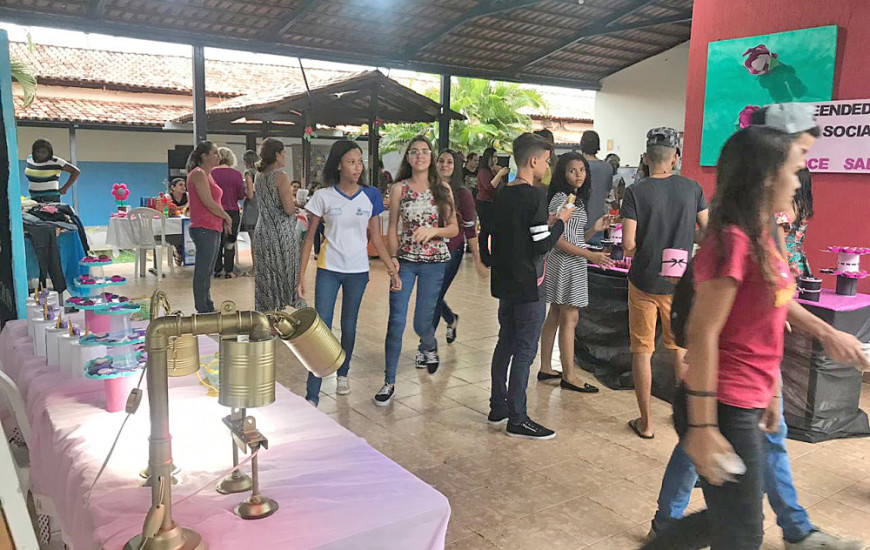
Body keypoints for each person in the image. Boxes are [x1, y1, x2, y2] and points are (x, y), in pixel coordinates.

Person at [642, 126, 870, 550]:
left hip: (747, 397)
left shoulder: (762, 234)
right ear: (767, 177)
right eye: (793, 171)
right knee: (742, 531)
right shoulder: (731, 240)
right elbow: (704, 333)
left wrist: (819, 341)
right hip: (723, 402)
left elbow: (774, 305)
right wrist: (705, 425)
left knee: (734, 518)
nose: (798, 182)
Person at [299, 140, 401, 407]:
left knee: (349, 325)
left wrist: (392, 270)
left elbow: (376, 239)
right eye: (351, 162)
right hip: (328, 268)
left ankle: (343, 374)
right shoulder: (323, 196)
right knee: (320, 327)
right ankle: (313, 391)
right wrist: (300, 277)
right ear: (338, 165)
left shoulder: (371, 196)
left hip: (357, 271)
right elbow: (309, 239)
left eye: (360, 161)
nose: (357, 167)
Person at [621, 127, 709, 439]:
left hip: (644, 281)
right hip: (680, 284)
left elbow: (628, 244)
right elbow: (707, 233)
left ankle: (646, 423)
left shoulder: (635, 192)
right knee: (680, 350)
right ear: (675, 158)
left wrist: (648, 242)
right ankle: (689, 424)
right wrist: (685, 236)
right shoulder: (693, 188)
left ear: (645, 158)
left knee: (642, 351)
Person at [485, 132, 573, 440]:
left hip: (506, 282)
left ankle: (498, 407)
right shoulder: (535, 195)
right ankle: (518, 417)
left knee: (505, 342)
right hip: (528, 285)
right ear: (533, 160)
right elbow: (542, 246)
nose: (548, 167)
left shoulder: (504, 192)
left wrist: (544, 224)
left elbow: (516, 235)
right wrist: (560, 221)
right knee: (524, 350)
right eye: (547, 161)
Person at [375, 136, 458, 407]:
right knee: (396, 321)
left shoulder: (442, 189)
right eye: (414, 152)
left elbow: (453, 229)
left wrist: (434, 230)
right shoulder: (398, 189)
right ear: (408, 158)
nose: (420, 156)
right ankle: (389, 381)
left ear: (431, 157)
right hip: (407, 262)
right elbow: (391, 227)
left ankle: (429, 344)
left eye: (425, 152)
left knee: (422, 323)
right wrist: (392, 261)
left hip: (435, 262)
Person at [537, 152, 613, 393]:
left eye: (582, 170)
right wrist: (590, 255)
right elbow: (556, 238)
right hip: (566, 262)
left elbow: (575, 237)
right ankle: (569, 375)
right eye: (572, 170)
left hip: (570, 261)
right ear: (562, 173)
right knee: (570, 317)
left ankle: (547, 367)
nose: (579, 174)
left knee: (557, 314)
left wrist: (594, 230)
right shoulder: (562, 199)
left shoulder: (574, 198)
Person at [431, 149, 487, 346]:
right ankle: (451, 319)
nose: (444, 165)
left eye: (449, 162)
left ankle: (426, 347)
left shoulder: (463, 194)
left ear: (456, 167)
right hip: (429, 252)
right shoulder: (428, 190)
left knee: (434, 296)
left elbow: (471, 231)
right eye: (441, 161)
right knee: (432, 295)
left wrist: (478, 261)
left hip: (451, 252)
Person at [253, 138, 306, 312]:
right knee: (287, 271)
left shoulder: (258, 176)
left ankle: (267, 313)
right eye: (283, 153)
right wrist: (300, 207)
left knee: (266, 275)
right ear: (277, 155)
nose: (285, 157)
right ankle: (289, 310)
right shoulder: (281, 176)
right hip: (280, 232)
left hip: (262, 230)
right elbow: (289, 208)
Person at [186, 141, 232, 313]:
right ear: (204, 156)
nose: (218, 157)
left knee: (208, 269)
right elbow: (208, 203)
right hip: (203, 226)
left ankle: (207, 304)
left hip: (213, 226)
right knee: (203, 270)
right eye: (214, 153)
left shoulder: (208, 174)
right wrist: (227, 217)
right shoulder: (198, 174)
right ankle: (203, 307)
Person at [211, 147, 250, 278]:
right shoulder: (236, 174)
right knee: (230, 241)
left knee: (216, 242)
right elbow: (241, 195)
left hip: (214, 211)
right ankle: (229, 270)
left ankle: (216, 270)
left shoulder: (210, 174)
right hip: (232, 211)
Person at [476, 146, 510, 267]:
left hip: (494, 203)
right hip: (484, 203)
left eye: (497, 157)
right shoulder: (483, 172)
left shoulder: (493, 171)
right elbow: (490, 187)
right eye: (493, 157)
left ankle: (493, 256)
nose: (495, 159)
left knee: (492, 230)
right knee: (486, 230)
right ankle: (485, 257)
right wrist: (499, 174)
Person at [579, 131, 612, 245]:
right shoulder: (607, 168)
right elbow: (607, 194)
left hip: (577, 223)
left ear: (581, 144)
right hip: (598, 222)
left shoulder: (577, 167)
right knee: (595, 261)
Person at [779, 169, 813, 278]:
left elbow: (780, 239)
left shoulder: (788, 205)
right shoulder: (804, 204)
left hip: (785, 262)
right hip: (798, 261)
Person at [25, 139, 81, 203]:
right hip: (33, 197)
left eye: (44, 152)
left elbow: (76, 171)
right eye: (38, 151)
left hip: (50, 198)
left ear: (49, 153)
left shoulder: (56, 161)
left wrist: (65, 188)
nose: (40, 154)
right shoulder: (30, 159)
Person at [239, 150, 259, 275]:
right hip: (263, 206)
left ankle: (255, 268)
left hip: (253, 207)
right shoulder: (262, 172)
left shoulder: (248, 173)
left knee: (254, 239)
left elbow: (250, 193)